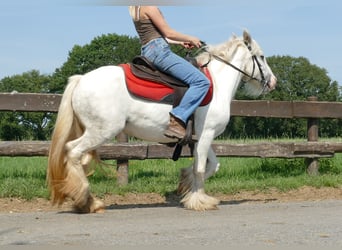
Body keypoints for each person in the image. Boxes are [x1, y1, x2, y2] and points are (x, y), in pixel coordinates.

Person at [129, 6, 210, 140]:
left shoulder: (136, 9)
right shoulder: (150, 6)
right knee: (201, 82)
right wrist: (191, 38)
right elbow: (168, 33)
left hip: (148, 50)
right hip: (159, 51)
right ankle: (177, 119)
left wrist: (180, 41)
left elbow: (155, 34)